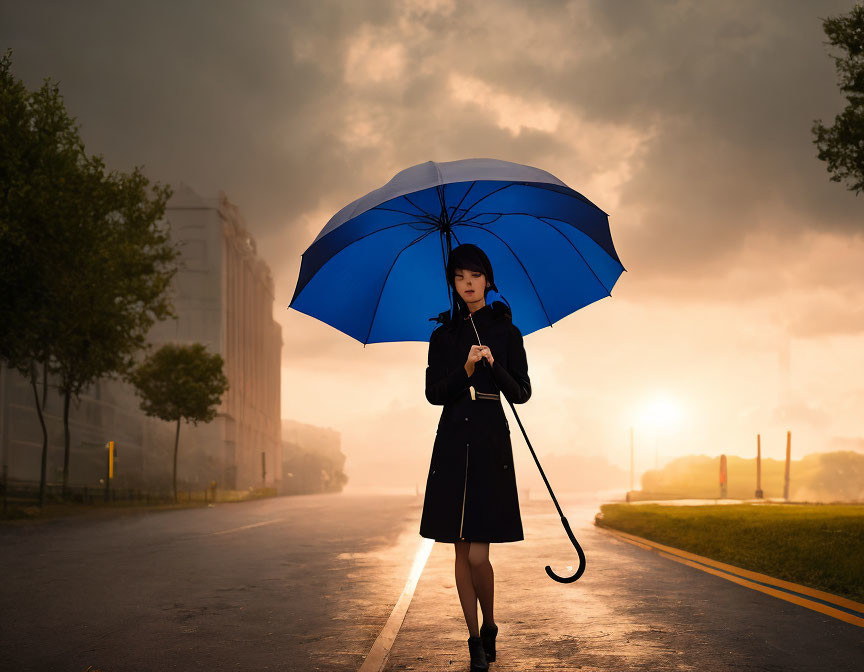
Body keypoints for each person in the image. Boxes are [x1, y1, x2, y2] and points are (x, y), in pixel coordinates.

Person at [419, 243, 531, 671]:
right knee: (459, 552)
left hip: (490, 441)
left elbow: (521, 392)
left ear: (488, 280)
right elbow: (433, 394)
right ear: (453, 282)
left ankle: (491, 623)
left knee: (479, 556)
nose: (468, 283)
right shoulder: (441, 336)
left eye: (476, 275)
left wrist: (492, 365)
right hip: (451, 442)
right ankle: (474, 640)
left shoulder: (506, 331)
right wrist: (464, 368)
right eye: (460, 276)